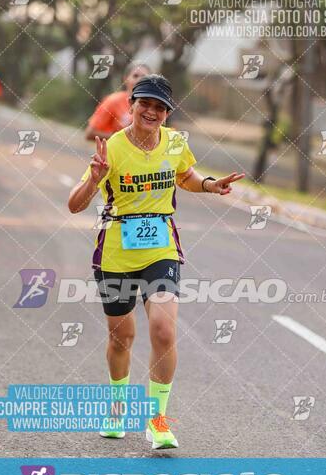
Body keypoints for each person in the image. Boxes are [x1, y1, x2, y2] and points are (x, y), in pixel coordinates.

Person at [68, 74, 244, 449]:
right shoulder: (112, 148)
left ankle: (157, 420)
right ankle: (117, 408)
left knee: (164, 331)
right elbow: (75, 204)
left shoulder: (176, 142)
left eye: (160, 107)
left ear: (167, 114)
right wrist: (93, 179)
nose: (152, 112)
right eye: (145, 103)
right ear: (130, 105)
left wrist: (210, 184)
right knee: (122, 336)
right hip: (115, 251)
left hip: (161, 248)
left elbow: (185, 175)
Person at [85, 62, 150, 142]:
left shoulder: (154, 106)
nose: (139, 80)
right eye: (135, 76)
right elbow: (90, 133)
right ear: (125, 79)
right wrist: (123, 138)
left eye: (144, 77)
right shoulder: (113, 101)